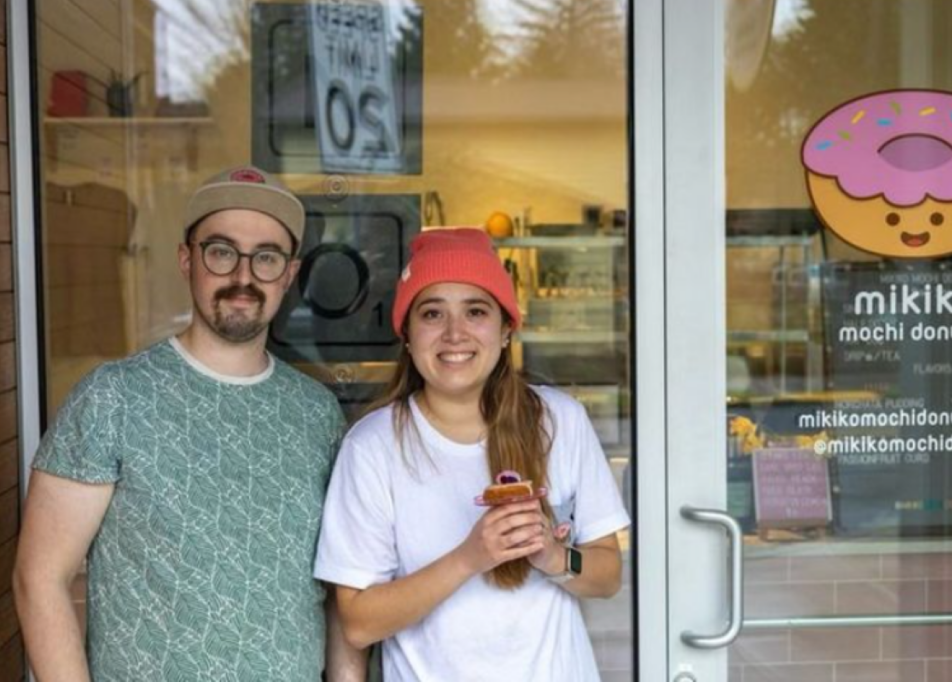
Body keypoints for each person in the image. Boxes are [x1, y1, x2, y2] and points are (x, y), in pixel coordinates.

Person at [14, 166, 365, 682]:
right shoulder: (113, 397)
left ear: (289, 275)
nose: (243, 276)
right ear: (187, 259)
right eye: (221, 251)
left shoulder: (317, 414)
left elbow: (337, 594)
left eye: (266, 257)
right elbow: (39, 578)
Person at [314, 227, 630, 681]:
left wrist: (554, 556)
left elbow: (608, 574)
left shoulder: (559, 421)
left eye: (476, 311)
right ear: (407, 335)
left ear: (506, 330)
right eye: (432, 313)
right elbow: (359, 622)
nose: (454, 334)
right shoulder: (373, 447)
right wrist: (469, 557)